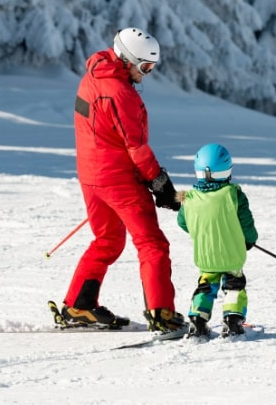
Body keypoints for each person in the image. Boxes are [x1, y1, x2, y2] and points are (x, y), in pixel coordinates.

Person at [56, 27, 186, 336]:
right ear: (127, 59)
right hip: (118, 180)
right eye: (145, 67)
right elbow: (136, 147)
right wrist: (159, 182)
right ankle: (161, 313)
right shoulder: (120, 93)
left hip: (92, 176)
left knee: (108, 240)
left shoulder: (92, 76)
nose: (147, 74)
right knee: (152, 243)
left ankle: (78, 306)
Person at [175, 143, 258, 338]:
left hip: (206, 255)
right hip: (231, 255)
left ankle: (197, 320)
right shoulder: (233, 194)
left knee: (205, 286)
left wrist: (203, 231)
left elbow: (183, 222)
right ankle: (233, 321)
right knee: (234, 286)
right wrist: (250, 240)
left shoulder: (189, 198)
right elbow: (246, 223)